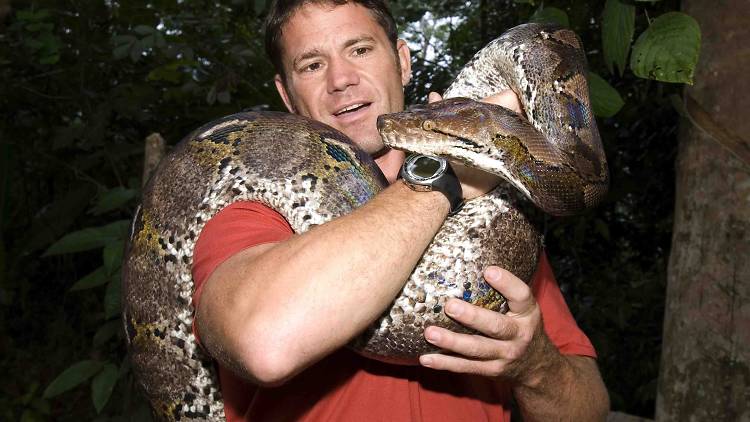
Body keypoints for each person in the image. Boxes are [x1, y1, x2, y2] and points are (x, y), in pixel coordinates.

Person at [192, 0, 610, 420]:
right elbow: (266, 344)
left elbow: (589, 411)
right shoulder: (251, 210)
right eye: (312, 65)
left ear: (403, 62)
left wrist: (534, 366)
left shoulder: (503, 213)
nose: (341, 79)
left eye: (360, 49)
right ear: (286, 94)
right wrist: (442, 180)